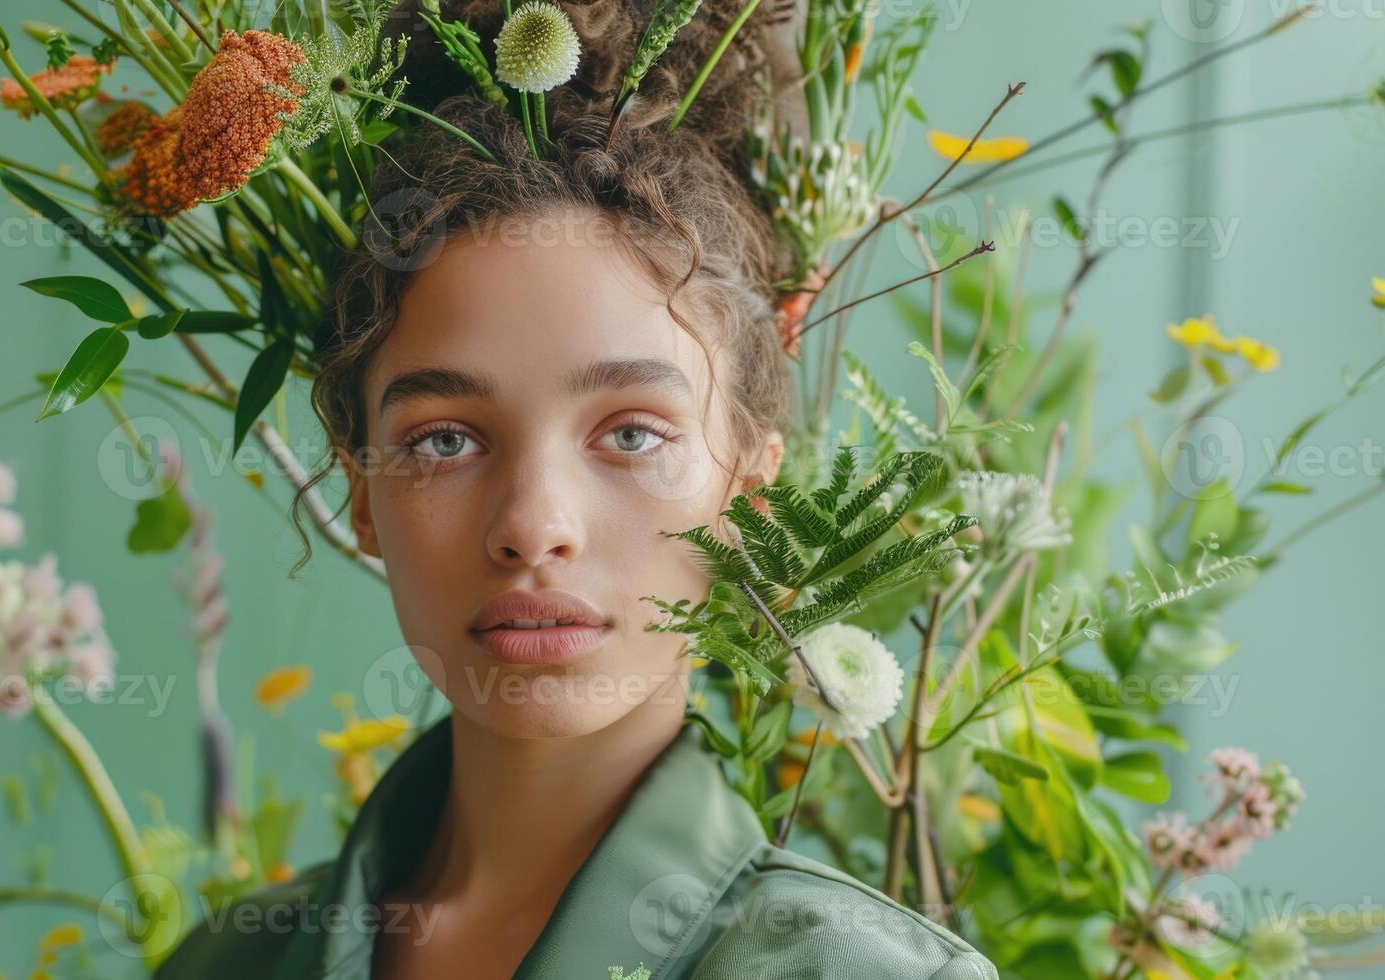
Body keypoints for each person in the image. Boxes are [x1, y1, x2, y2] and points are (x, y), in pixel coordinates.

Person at [155, 1, 999, 976]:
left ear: (750, 499)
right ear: (358, 492)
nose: (532, 525)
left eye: (631, 432)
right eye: (443, 439)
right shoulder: (222, 962)